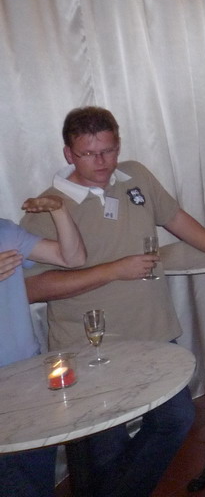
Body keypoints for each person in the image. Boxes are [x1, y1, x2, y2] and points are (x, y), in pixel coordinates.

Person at [22, 107, 205, 497]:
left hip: (153, 332)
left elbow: (176, 218)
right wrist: (114, 270)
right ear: (68, 154)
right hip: (91, 346)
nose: (102, 162)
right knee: (106, 447)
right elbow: (33, 289)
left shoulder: (135, 175)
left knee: (176, 418)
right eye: (88, 154)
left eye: (109, 150)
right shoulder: (47, 208)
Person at [0, 197, 86, 497]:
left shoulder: (5, 231)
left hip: (27, 374)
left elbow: (72, 258)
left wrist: (59, 210)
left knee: (37, 476)